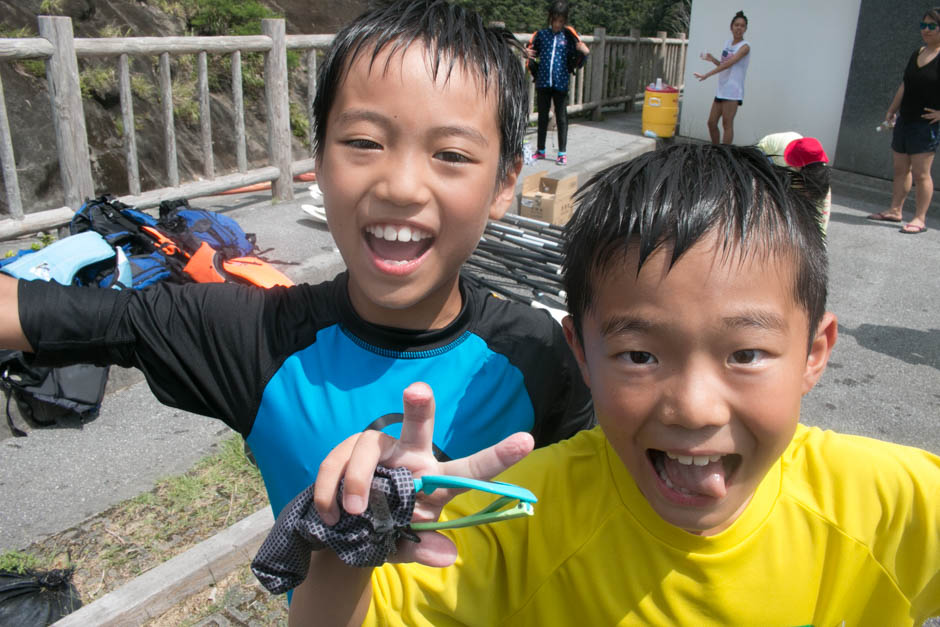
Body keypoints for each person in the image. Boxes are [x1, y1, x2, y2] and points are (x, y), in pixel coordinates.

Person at [290, 144, 940, 625]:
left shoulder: (888, 503)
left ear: (813, 353)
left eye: (746, 351)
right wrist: (350, 542)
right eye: (638, 354)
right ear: (581, 350)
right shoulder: (522, 516)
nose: (693, 405)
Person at [0, 0, 594, 522]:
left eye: (452, 153)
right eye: (364, 142)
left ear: (504, 183)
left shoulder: (539, 352)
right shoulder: (251, 336)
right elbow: (58, 312)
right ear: (318, 158)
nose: (403, 187)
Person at [867, 7, 940, 234]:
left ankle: (919, 218)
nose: (925, 30)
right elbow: (906, 84)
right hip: (905, 119)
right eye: (923, 25)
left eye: (931, 26)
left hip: (925, 125)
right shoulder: (916, 53)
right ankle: (895, 210)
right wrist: (892, 109)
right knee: (900, 169)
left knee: (921, 173)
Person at [526, 0, 590, 166]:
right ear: (550, 18)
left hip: (561, 82)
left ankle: (562, 153)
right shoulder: (541, 35)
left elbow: (580, 58)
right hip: (543, 81)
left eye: (561, 21)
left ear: (565, 20)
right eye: (555, 20)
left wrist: (585, 53)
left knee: (561, 117)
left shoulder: (568, 37)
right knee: (542, 116)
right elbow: (532, 53)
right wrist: (526, 53)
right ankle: (540, 150)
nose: (557, 24)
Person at [756, 132, 832, 234]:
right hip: (764, 154)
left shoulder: (821, 173)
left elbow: (823, 210)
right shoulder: (783, 162)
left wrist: (820, 240)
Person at [694, 10, 751, 145]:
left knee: (727, 124)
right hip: (722, 89)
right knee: (711, 123)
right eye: (736, 25)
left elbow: (729, 64)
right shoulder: (728, 43)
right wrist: (712, 59)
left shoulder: (745, 47)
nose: (739, 28)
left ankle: (725, 155)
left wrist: (706, 75)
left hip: (733, 91)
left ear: (745, 29)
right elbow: (723, 65)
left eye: (742, 26)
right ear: (731, 27)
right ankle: (716, 150)